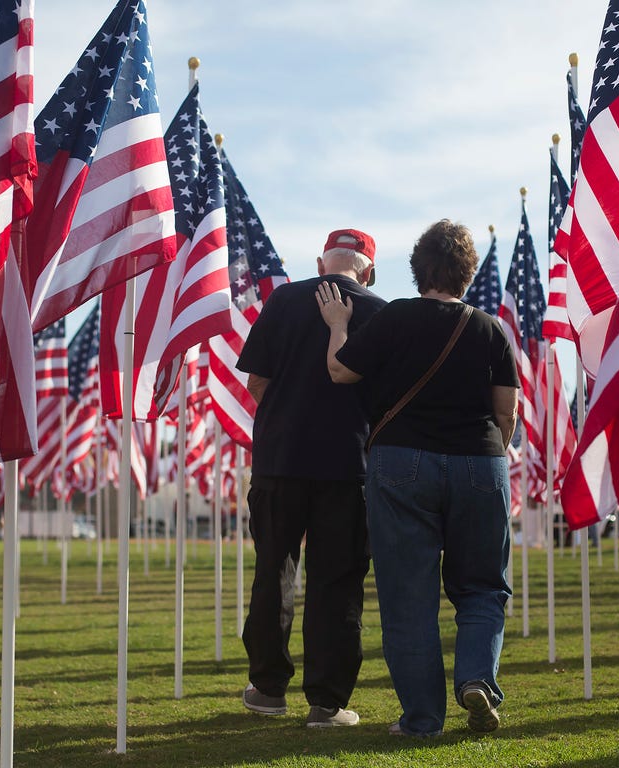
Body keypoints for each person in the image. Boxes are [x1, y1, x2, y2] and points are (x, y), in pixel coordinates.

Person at [316, 219, 519, 737]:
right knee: (482, 588)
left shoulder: (397, 318)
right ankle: (476, 677)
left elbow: (340, 371)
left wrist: (338, 322)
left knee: (408, 597)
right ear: (467, 273)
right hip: (480, 461)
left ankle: (422, 719)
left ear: (417, 269)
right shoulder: (491, 329)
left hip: (401, 462)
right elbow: (506, 414)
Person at [236, 228, 386, 728]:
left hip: (280, 459)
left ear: (322, 263)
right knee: (337, 581)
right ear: (369, 269)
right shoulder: (381, 311)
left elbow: (257, 380)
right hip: (349, 465)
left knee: (274, 569)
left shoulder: (282, 301)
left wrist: (287, 420)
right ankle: (326, 702)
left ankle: (267, 687)